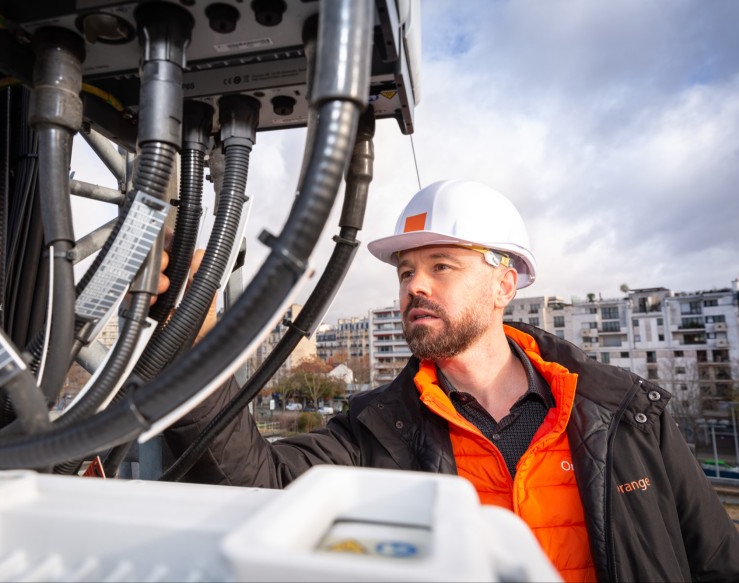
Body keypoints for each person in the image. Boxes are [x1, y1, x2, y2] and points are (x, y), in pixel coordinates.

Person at [164, 180, 739, 582]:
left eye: (441, 265)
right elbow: (257, 486)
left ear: (504, 285)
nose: (415, 286)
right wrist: (193, 349)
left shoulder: (627, 411)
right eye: (406, 272)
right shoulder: (375, 430)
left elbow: (716, 561)